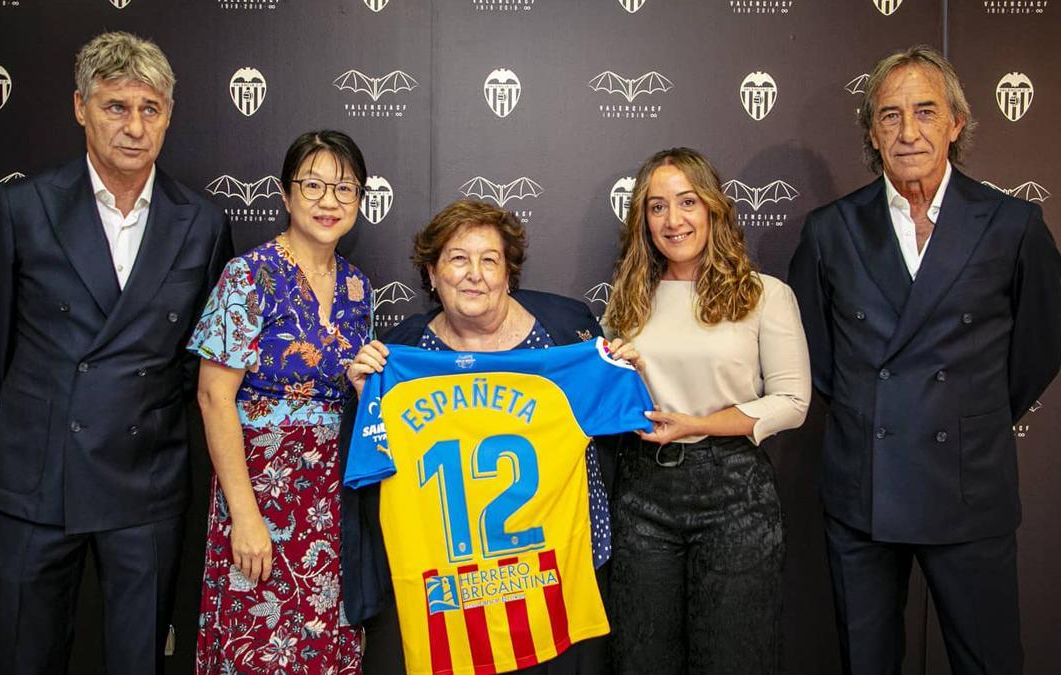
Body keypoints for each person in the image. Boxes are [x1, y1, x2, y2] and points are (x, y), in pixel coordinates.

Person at [0, 32, 233, 674]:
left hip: (147, 477)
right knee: (30, 654)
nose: (134, 127)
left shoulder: (202, 221)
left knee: (140, 660)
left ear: (168, 115)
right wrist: (53, 406)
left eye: (151, 108)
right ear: (81, 107)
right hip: (37, 475)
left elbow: (204, 351)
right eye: (116, 107)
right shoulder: (24, 208)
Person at [788, 45, 1061, 675]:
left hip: (969, 486)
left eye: (925, 112)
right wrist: (874, 410)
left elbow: (1040, 347)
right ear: (872, 133)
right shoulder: (831, 229)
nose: (908, 131)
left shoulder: (1013, 224)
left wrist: (970, 415)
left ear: (956, 124)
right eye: (889, 116)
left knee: (988, 662)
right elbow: (815, 357)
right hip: (865, 489)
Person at [341, 199, 638, 674]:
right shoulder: (401, 354)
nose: (473, 274)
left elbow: (629, 421)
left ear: (509, 273)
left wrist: (622, 370)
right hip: (455, 587)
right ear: (433, 275)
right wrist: (368, 399)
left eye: (489, 260)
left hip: (554, 571)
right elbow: (375, 465)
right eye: (457, 258)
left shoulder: (566, 333)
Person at [602, 147, 810, 675]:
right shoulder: (627, 301)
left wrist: (696, 424)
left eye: (687, 202)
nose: (673, 220)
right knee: (642, 658)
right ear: (642, 220)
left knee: (734, 658)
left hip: (734, 495)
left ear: (714, 209)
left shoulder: (765, 295)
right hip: (642, 496)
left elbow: (791, 402)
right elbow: (606, 398)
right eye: (657, 206)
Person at [188, 130, 371, 674]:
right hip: (260, 491)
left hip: (332, 501)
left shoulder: (359, 288)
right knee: (257, 644)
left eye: (344, 188)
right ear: (286, 195)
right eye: (312, 185)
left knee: (326, 643)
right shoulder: (248, 276)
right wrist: (243, 515)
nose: (328, 201)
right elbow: (213, 396)